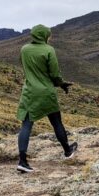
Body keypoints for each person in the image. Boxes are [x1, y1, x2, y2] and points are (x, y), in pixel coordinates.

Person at [16, 24, 77, 173]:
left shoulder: (24, 49)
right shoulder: (49, 50)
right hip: (46, 92)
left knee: (26, 126)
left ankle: (22, 161)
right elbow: (55, 73)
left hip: (29, 92)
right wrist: (61, 84)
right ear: (44, 36)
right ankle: (67, 151)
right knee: (56, 122)